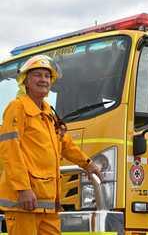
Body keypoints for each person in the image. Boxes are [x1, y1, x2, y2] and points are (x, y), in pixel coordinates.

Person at [0, 55, 103, 234]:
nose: (43, 80)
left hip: (48, 202)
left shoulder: (48, 113)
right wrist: (23, 189)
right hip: (24, 201)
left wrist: (88, 164)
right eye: (37, 75)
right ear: (26, 81)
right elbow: (10, 150)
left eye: (47, 76)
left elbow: (65, 144)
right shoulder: (17, 107)